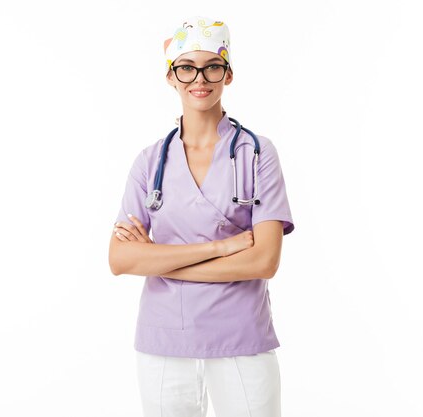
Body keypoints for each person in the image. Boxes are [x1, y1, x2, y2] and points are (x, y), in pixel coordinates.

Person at [108, 16, 295, 417]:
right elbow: (121, 260)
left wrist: (160, 261)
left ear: (228, 75)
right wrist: (222, 248)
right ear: (171, 77)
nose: (200, 78)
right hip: (164, 345)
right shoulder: (149, 162)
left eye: (213, 65)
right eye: (187, 67)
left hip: (241, 341)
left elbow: (264, 261)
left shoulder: (257, 155)